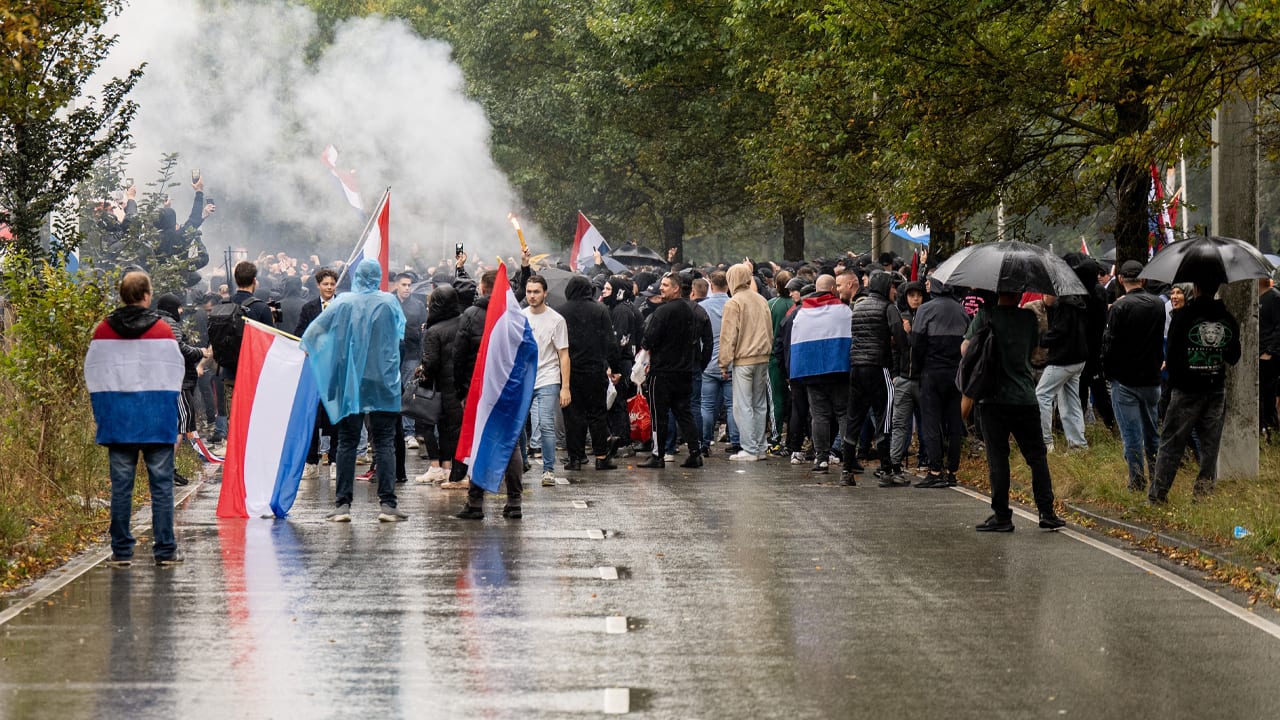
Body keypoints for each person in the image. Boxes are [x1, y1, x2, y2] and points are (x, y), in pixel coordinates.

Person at [85, 270, 186, 566]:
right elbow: (174, 373)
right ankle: (165, 551)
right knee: (162, 487)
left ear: (121, 295)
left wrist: (104, 412)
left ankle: (121, 552)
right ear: (147, 295)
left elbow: (94, 374)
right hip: (156, 418)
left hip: (119, 421)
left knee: (121, 488)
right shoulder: (163, 331)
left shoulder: (103, 330)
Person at [301, 259, 409, 523]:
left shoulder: (343, 302)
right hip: (383, 382)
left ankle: (343, 505)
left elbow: (312, 334)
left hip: (350, 382)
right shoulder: (389, 302)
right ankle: (387, 504)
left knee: (347, 441)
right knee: (384, 442)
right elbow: (401, 335)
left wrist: (326, 357)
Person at [964, 292, 1065, 532]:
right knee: (1037, 456)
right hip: (1024, 396)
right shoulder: (1029, 318)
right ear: (1020, 292)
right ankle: (1046, 511)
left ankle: (1002, 515)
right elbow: (1035, 352)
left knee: (998, 457)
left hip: (992, 397)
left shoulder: (986, 315)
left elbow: (965, 348)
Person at [1149, 279, 1241, 503]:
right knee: (1210, 447)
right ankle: (1203, 496)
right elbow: (1234, 356)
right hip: (1215, 388)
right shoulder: (1226, 318)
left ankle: (1158, 495)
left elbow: (1170, 358)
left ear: (1196, 289)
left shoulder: (1183, 317)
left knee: (1171, 442)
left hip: (1186, 390)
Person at [1101, 260, 1166, 492]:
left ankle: (1137, 481)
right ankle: (1158, 480)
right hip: (1151, 376)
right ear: (1144, 279)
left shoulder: (1120, 308)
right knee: (1152, 432)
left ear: (1120, 279)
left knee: (1131, 434)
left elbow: (1110, 344)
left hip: (1125, 379)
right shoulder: (1158, 304)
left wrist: (1108, 372)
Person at [639, 273, 708, 469]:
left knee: (658, 415)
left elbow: (648, 340)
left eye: (666, 285)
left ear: (676, 288)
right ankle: (695, 452)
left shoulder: (663, 312)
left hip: (662, 371)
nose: (661, 288)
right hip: (684, 370)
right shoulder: (691, 311)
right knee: (683, 412)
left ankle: (657, 454)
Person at [788, 275, 852, 475]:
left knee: (819, 415)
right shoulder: (843, 310)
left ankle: (821, 458)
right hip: (838, 370)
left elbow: (796, 343)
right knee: (843, 413)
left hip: (812, 371)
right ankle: (848, 457)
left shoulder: (803, 312)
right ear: (832, 288)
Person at [559, 275, 621, 471]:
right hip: (595, 370)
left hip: (570, 371)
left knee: (572, 416)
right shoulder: (600, 310)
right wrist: (614, 366)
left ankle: (575, 458)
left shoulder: (561, 311)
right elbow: (611, 343)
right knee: (597, 414)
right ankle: (601, 456)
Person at [842, 270, 898, 483]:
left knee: (854, 417)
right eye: (891, 286)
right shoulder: (888, 308)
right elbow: (898, 336)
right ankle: (886, 470)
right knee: (883, 416)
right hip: (879, 366)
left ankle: (847, 471)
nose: (894, 291)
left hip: (857, 366)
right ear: (885, 287)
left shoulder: (858, 306)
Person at [155, 293, 213, 486]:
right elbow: (178, 347)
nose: (181, 311)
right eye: (179, 307)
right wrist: (199, 352)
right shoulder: (169, 322)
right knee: (180, 425)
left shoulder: (158, 321)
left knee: (178, 424)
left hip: (167, 380)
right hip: (177, 381)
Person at [720, 262, 774, 461]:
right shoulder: (761, 300)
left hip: (743, 359)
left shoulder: (734, 303)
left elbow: (728, 336)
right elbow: (769, 330)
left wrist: (723, 363)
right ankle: (760, 446)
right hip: (763, 358)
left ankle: (749, 448)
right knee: (760, 404)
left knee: (743, 405)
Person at [414, 284, 465, 485]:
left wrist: (421, 371)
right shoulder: (464, 322)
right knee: (454, 429)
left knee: (440, 427)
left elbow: (431, 362)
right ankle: (450, 469)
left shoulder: (434, 331)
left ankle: (444, 469)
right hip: (461, 385)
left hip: (441, 387)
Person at [522, 275, 570, 485]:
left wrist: (565, 387)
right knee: (518, 424)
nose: (532, 296)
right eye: (529, 291)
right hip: (523, 378)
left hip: (548, 377)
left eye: (536, 292)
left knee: (547, 425)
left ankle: (548, 470)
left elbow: (563, 354)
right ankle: (522, 461)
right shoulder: (520, 317)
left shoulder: (556, 320)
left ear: (545, 293)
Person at [1035, 290, 1090, 452]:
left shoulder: (1063, 305)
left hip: (1063, 359)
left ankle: (1045, 443)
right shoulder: (1077, 302)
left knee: (1042, 396)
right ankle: (1078, 445)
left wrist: (1041, 340)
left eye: (1046, 293)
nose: (1044, 297)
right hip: (1078, 358)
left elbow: (1059, 332)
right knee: (1070, 401)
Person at [297, 268, 338, 479]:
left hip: (335, 371)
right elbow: (299, 334)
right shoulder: (308, 308)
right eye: (326, 284)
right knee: (312, 416)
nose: (329, 288)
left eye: (332, 284)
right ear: (318, 285)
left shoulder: (343, 306)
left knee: (334, 417)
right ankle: (311, 461)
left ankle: (334, 460)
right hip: (313, 371)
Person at [886, 281, 926, 485]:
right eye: (911, 295)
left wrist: (911, 333)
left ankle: (926, 459)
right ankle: (895, 463)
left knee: (925, 422)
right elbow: (895, 349)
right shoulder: (901, 317)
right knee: (900, 423)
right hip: (903, 377)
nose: (915, 298)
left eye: (919, 294)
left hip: (922, 379)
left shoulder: (927, 317)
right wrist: (894, 373)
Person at [700, 272, 739, 455]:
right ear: (728, 286)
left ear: (711, 286)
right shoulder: (735, 305)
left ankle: (704, 442)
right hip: (731, 361)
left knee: (706, 405)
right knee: (732, 405)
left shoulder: (703, 307)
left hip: (708, 363)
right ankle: (736, 441)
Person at [1259, 277, 1280, 439]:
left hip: (1269, 355)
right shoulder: (1257, 297)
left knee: (1268, 394)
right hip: (1258, 352)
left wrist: (1270, 351)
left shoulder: (1274, 297)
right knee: (1260, 394)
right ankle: (1262, 429)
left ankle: (1272, 429)